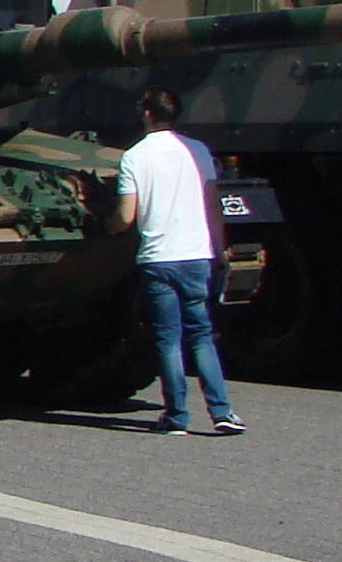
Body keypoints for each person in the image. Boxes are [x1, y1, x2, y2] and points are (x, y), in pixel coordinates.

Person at [115, 88, 244, 437]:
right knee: (201, 335)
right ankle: (222, 412)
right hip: (196, 255)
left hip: (158, 259)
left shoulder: (134, 156)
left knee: (168, 339)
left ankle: (176, 416)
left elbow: (126, 216)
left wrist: (107, 226)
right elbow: (212, 206)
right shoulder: (198, 151)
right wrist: (220, 250)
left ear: (146, 114)